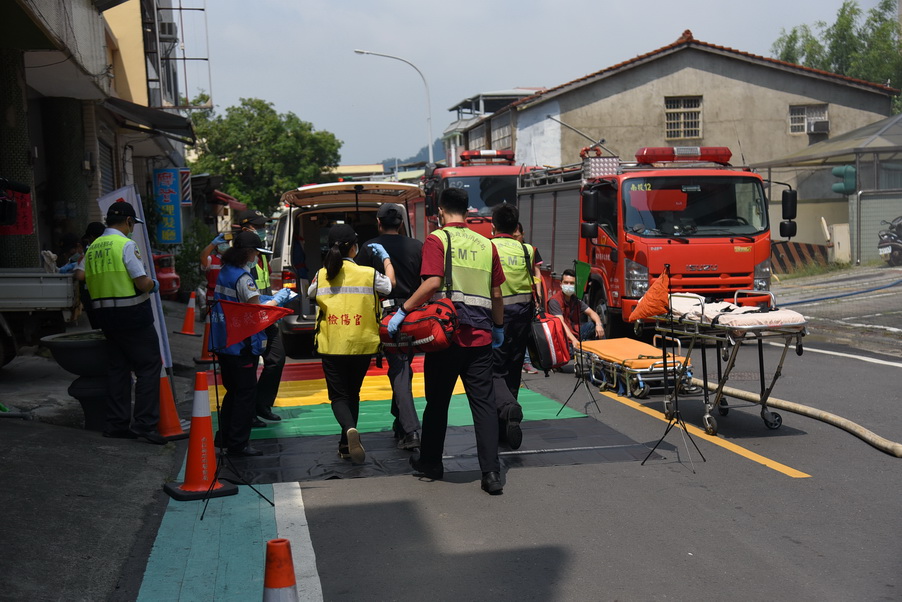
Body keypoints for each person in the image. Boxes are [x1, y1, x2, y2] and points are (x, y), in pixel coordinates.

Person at [390, 188, 507, 496]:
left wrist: (403, 310)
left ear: (440, 211)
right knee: (483, 405)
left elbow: (432, 283)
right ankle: (491, 473)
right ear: (466, 210)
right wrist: (497, 327)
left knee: (437, 403)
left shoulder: (437, 239)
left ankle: (431, 463)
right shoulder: (486, 244)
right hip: (480, 337)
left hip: (445, 337)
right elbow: (496, 295)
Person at [309, 224, 393, 463]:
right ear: (354, 247)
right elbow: (389, 286)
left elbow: (310, 294)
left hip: (332, 344)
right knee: (353, 393)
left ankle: (348, 432)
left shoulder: (321, 274)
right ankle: (346, 443)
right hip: (362, 344)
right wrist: (385, 260)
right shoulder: (368, 273)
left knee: (338, 396)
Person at [83, 203, 164, 444]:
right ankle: (145, 425)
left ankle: (116, 424)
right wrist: (154, 284)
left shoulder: (92, 247)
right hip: (133, 315)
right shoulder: (125, 245)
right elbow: (141, 282)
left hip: (105, 317)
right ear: (129, 221)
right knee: (148, 367)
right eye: (132, 225)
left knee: (118, 369)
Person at [209, 230, 291, 456]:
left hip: (226, 340)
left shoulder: (226, 271)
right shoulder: (244, 278)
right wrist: (277, 302)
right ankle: (238, 444)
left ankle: (224, 438)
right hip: (242, 344)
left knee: (233, 392)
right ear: (249, 253)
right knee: (245, 394)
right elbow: (256, 312)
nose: (257, 257)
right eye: (256, 252)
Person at [356, 203, 424, 451]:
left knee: (400, 372)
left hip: (386, 314)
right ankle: (400, 421)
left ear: (378, 221)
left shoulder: (369, 248)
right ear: (402, 223)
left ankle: (411, 430)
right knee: (403, 369)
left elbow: (360, 279)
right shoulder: (417, 246)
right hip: (414, 315)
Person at [490, 205, 538, 450]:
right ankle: (506, 429)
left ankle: (508, 410)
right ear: (516, 226)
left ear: (493, 225)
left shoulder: (488, 247)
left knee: (493, 372)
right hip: (522, 319)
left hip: (497, 318)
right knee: (513, 370)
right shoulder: (526, 249)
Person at [234, 209, 285, 424]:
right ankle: (250, 412)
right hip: (252, 316)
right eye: (259, 226)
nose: (264, 230)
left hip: (266, 313)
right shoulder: (240, 258)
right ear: (246, 229)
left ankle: (262, 404)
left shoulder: (261, 255)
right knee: (251, 365)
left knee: (277, 358)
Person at [548, 268, 604, 351]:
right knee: (574, 352)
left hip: (576, 333)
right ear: (561, 284)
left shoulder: (575, 300)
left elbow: (593, 313)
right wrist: (574, 340)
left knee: (595, 325)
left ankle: (602, 355)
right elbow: (561, 324)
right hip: (563, 339)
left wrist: (598, 324)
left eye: (572, 283)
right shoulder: (554, 301)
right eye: (566, 282)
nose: (569, 285)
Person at [513, 222, 542, 375]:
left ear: (523, 234)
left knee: (525, 331)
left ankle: (527, 361)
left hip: (526, 298)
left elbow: (537, 273)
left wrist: (538, 295)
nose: (515, 239)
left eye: (517, 236)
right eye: (513, 236)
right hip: (508, 298)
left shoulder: (530, 250)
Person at [74, 221, 107, 329]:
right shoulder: (112, 247)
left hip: (92, 297)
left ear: (92, 237)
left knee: (98, 331)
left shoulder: (91, 251)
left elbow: (79, 275)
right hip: (111, 296)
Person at [199, 232, 230, 317]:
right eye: (222, 243)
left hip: (227, 297)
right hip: (212, 296)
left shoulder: (232, 260)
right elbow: (203, 257)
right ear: (217, 246)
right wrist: (212, 244)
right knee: (211, 322)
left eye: (227, 243)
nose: (225, 245)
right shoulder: (210, 259)